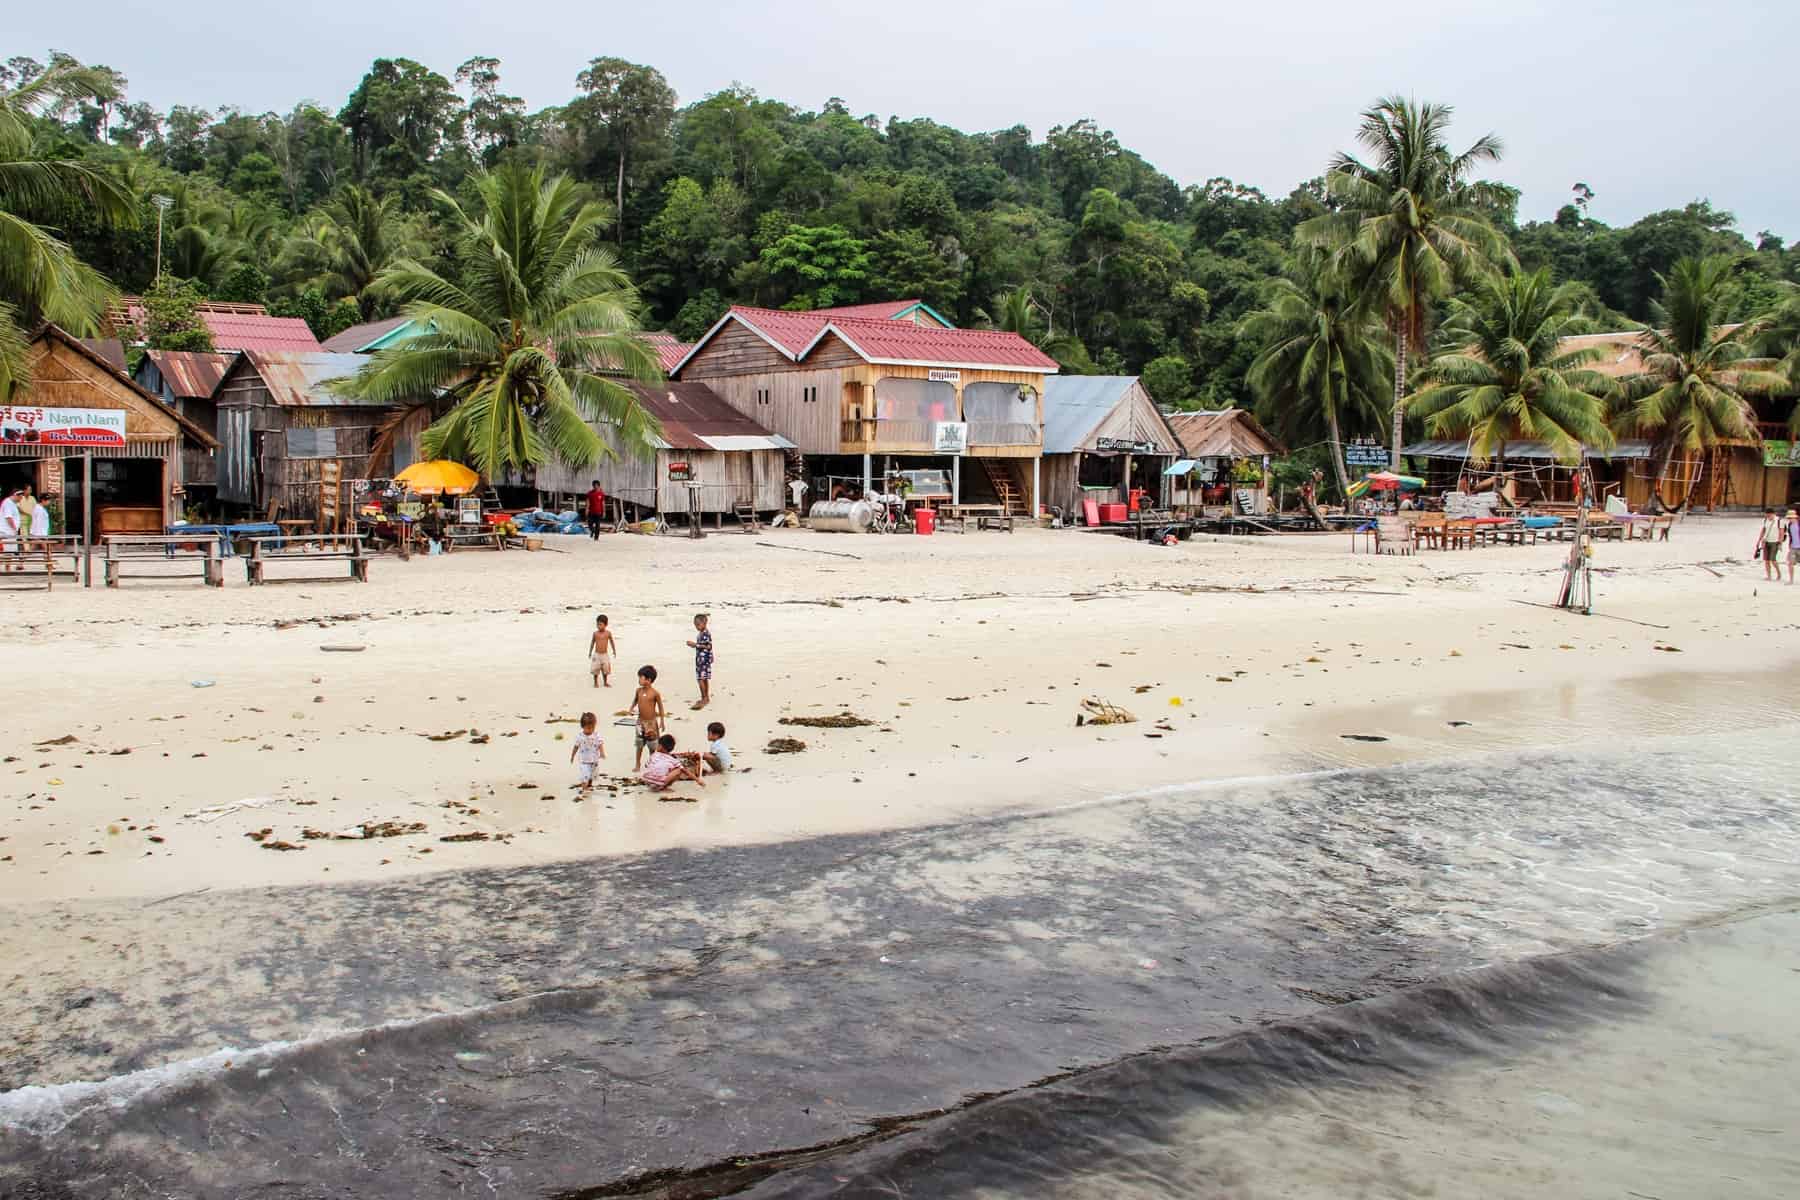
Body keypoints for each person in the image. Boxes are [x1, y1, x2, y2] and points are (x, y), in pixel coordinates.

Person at [631, 665, 666, 770]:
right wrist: (631, 708)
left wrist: (662, 721)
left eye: (640, 678)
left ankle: (652, 763)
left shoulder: (655, 693)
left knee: (652, 745)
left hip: (651, 723)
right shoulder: (638, 691)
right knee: (639, 744)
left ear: (648, 679)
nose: (639, 680)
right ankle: (637, 764)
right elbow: (635, 700)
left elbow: (660, 708)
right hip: (640, 721)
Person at [569, 712, 606, 792]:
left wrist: (602, 753)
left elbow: (600, 744)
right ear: (583, 726)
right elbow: (576, 747)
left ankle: (589, 784)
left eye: (593, 727)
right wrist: (572, 756)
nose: (591, 730)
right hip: (584, 760)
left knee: (592, 775)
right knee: (585, 775)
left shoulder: (596, 735)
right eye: (589, 728)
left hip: (594, 760)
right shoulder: (580, 736)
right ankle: (584, 788)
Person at [686, 614, 713, 710]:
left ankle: (704, 698)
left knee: (700, 679)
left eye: (698, 624)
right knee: (704, 678)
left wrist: (695, 645)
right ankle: (705, 697)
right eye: (695, 624)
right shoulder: (702, 633)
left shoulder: (705, 633)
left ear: (704, 623)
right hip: (702, 659)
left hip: (703, 660)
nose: (696, 626)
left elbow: (708, 646)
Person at [588, 615, 617, 688]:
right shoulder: (595, 633)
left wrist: (614, 650)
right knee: (595, 669)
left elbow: (612, 642)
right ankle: (595, 682)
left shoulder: (608, 633)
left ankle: (605, 682)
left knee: (605, 669)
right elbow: (592, 643)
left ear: (606, 625)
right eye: (597, 624)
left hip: (605, 655)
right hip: (597, 654)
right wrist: (590, 652)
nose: (598, 626)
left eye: (600, 624)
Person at [1759, 508, 1784, 581]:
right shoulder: (1765, 520)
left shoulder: (1779, 521)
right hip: (1766, 541)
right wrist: (1761, 540)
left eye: (1769, 515)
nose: (1768, 517)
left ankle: (1779, 573)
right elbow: (1763, 530)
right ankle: (1769, 576)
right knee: (1766, 560)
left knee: (1773, 560)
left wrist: (1780, 543)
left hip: (1775, 542)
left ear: (1773, 514)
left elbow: (1781, 533)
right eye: (1767, 515)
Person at [0, 487, 21, 572]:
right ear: (15, 495)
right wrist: (15, 528)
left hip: (11, 532)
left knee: (9, 552)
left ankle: (7, 568)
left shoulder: (13, 503)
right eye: (20, 497)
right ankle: (7, 568)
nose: (21, 499)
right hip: (7, 531)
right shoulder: (8, 503)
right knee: (6, 551)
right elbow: (8, 518)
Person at [1786, 509, 1800, 586]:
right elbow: (1791, 536)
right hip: (1793, 547)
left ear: (1795, 517)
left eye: (1791, 518)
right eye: (1789, 518)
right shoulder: (1790, 525)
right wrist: (1789, 546)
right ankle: (1791, 580)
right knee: (1790, 563)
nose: (1790, 519)